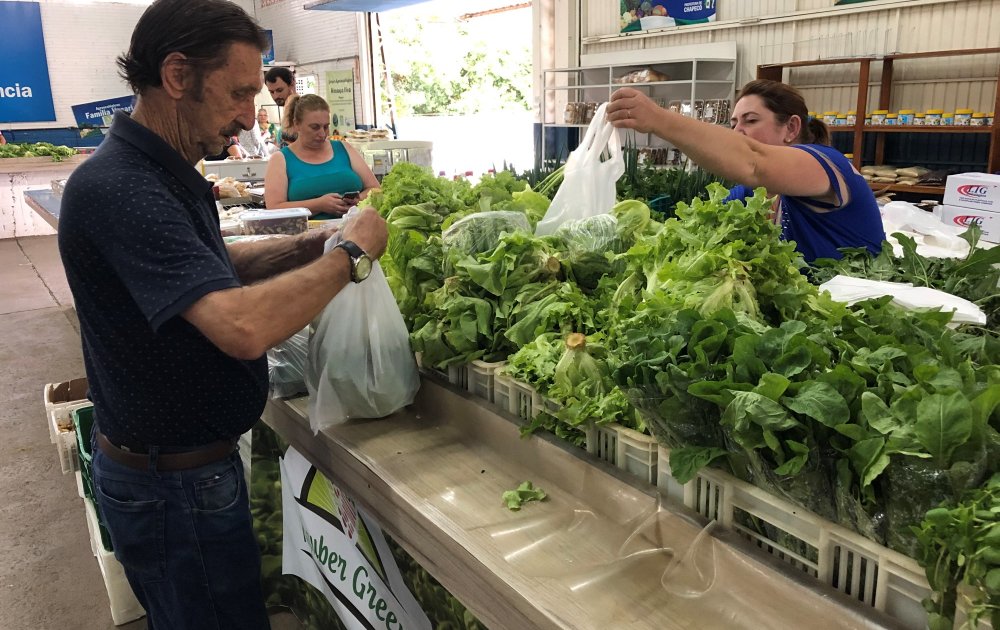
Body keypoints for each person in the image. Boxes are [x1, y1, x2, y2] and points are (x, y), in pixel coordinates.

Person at [56, 1, 388, 628]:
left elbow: (208, 267)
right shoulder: (122, 187)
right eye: (238, 92)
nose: (249, 113)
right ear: (177, 75)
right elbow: (241, 327)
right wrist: (349, 257)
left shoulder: (164, 172)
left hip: (188, 476)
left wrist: (307, 243)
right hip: (172, 493)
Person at [608, 79, 885, 262]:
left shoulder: (826, 164)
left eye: (750, 120)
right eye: (734, 123)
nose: (739, 131)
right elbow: (693, 233)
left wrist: (657, 119)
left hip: (861, 321)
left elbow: (753, 162)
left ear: (791, 128)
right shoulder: (751, 196)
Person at [264, 93, 379, 219]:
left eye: (326, 127)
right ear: (297, 124)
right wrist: (318, 205)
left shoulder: (344, 148)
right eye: (315, 127)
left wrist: (357, 201)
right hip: (306, 236)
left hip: (355, 231)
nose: (322, 134)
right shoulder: (280, 159)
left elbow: (374, 189)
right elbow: (274, 208)